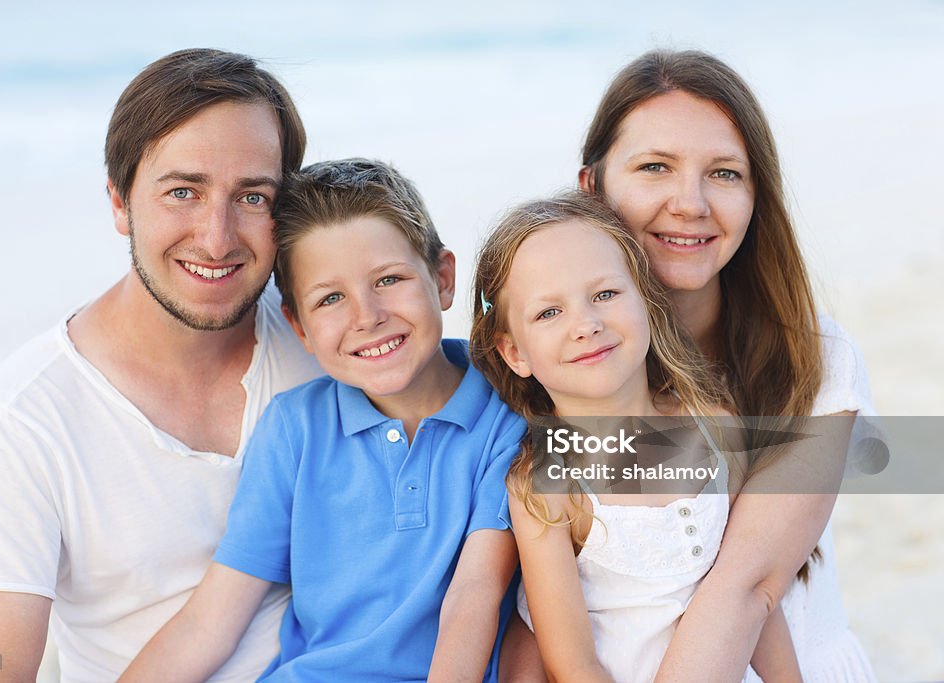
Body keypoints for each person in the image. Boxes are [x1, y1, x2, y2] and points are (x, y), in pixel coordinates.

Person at [0, 49, 322, 682]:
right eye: (182, 192)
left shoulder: (333, 343)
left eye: (252, 197)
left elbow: (530, 431)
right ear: (120, 202)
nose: (217, 237)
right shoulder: (19, 416)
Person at [502, 49, 877, 681]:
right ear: (591, 187)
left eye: (726, 173)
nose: (691, 203)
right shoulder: (546, 366)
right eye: (655, 167)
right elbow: (528, 618)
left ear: (758, 193)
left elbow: (747, 587)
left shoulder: (816, 358)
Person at [119, 158, 524, 682]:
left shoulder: (510, 413)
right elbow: (208, 623)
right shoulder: (295, 429)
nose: (366, 316)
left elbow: (474, 598)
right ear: (300, 327)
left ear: (443, 279)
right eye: (330, 298)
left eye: (389, 279)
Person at [469, 192, 803, 683]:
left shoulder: (715, 426)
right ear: (515, 353)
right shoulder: (547, 488)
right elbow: (571, 662)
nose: (586, 324)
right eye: (548, 313)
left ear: (646, 301)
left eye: (605, 294)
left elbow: (752, 591)